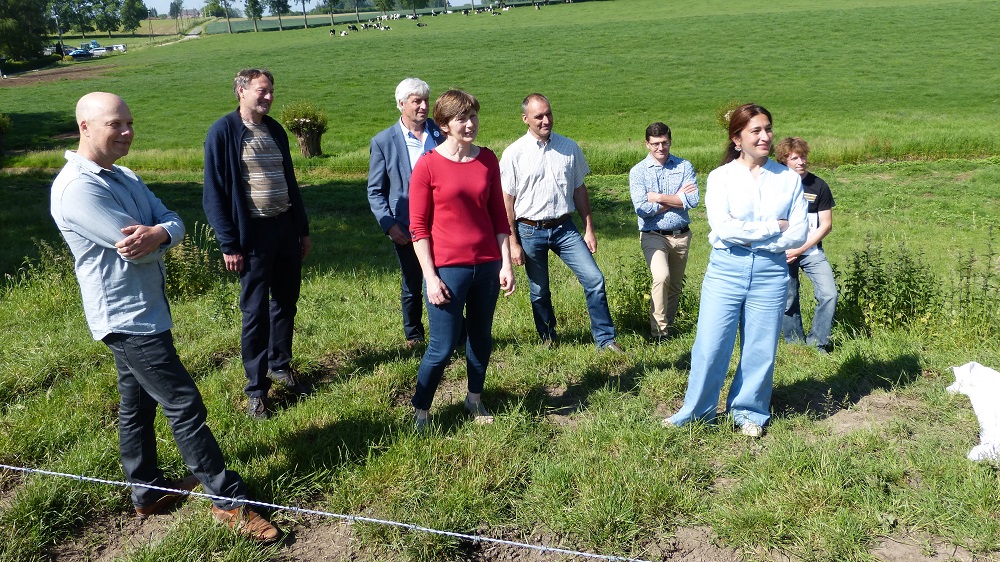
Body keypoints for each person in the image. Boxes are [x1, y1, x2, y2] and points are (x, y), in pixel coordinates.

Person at [50, 92, 280, 542]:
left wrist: (159, 232)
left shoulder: (124, 175)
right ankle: (228, 502)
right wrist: (160, 235)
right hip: (126, 317)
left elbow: (172, 220)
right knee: (183, 403)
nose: (127, 132)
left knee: (137, 404)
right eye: (116, 124)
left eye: (130, 123)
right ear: (85, 128)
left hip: (146, 310)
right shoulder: (78, 188)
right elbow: (135, 251)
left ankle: (146, 490)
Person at [665, 103, 808, 438]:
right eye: (756, 130)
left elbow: (799, 232)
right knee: (711, 344)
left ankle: (748, 412)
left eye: (768, 129)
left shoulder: (788, 179)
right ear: (737, 138)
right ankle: (696, 412)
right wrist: (773, 227)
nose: (765, 136)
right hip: (726, 269)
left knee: (760, 348)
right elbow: (724, 229)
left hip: (771, 272)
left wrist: (754, 236)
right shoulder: (721, 177)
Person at [203, 68, 311, 420]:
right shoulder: (223, 131)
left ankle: (280, 365)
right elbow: (214, 194)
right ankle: (256, 389)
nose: (268, 97)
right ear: (241, 91)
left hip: (285, 229)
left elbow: (290, 182)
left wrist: (302, 229)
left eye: (271, 91)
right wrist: (229, 243)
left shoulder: (274, 130)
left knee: (286, 303)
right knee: (255, 313)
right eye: (261, 91)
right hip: (253, 236)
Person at [408, 89, 516, 430]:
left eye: (473, 116)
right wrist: (430, 277)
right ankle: (421, 410)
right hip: (447, 271)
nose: (470, 124)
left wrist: (506, 263)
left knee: (481, 338)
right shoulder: (428, 165)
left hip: (487, 266)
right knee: (441, 347)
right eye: (462, 118)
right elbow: (418, 229)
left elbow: (499, 217)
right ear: (443, 124)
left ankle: (474, 399)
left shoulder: (488, 160)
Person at [500, 93, 623, 352]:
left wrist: (589, 229)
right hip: (529, 230)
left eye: (548, 114)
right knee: (539, 290)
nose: (546, 120)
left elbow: (579, 190)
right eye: (538, 116)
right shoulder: (514, 154)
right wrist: (513, 242)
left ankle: (605, 339)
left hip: (565, 228)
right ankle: (548, 337)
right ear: (525, 119)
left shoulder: (569, 147)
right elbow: (506, 202)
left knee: (594, 279)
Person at [367, 78, 445, 348]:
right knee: (412, 282)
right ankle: (414, 334)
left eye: (426, 100)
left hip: (443, 223)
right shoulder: (383, 142)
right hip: (407, 227)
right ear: (401, 104)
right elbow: (375, 191)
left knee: (445, 277)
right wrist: (389, 225)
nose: (424, 106)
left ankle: (451, 330)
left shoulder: (441, 133)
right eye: (416, 101)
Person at [628, 122, 700, 342]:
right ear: (647, 144)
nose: (661, 148)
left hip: (681, 234)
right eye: (655, 144)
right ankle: (659, 333)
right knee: (662, 277)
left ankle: (668, 326)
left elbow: (693, 200)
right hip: (653, 234)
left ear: (670, 141)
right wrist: (677, 198)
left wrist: (658, 197)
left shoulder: (684, 166)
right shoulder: (638, 171)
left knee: (675, 286)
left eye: (665, 143)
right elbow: (642, 208)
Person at [775, 137, 838, 353]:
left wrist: (801, 249)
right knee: (788, 298)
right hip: (783, 252)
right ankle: (795, 344)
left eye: (803, 157)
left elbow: (826, 224)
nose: (801, 161)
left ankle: (818, 343)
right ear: (784, 160)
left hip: (811, 251)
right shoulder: (776, 185)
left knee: (829, 294)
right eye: (795, 158)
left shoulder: (818, 185)